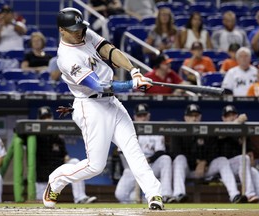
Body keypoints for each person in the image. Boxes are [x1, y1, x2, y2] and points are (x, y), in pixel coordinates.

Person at [43, 7, 163, 210]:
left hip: (111, 102)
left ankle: (154, 196)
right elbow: (98, 85)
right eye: (74, 29)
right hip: (91, 106)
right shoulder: (66, 57)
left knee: (133, 150)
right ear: (61, 30)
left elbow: (109, 50)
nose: (79, 32)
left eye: (80, 28)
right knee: (95, 166)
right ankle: (56, 180)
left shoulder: (85, 32)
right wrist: (131, 86)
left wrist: (134, 71)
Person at [171, 104, 247, 203]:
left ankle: (234, 195)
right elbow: (175, 152)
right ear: (185, 117)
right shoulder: (178, 131)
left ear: (200, 117)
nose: (194, 118)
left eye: (196, 115)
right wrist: (196, 162)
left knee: (222, 160)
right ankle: (179, 194)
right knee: (180, 158)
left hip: (206, 169)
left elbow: (214, 151)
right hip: (188, 170)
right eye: (191, 116)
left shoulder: (207, 130)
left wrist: (205, 162)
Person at [35, 106, 97, 204]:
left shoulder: (57, 137)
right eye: (43, 118)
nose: (47, 120)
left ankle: (80, 198)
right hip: (42, 179)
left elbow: (65, 156)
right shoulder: (35, 136)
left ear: (52, 118)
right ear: (39, 120)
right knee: (43, 204)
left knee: (75, 162)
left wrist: (67, 166)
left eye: (48, 117)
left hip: (57, 173)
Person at [115, 103, 174, 204]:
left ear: (148, 115)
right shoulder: (126, 130)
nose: (142, 118)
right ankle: (136, 201)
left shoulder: (155, 130)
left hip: (151, 165)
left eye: (144, 115)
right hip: (132, 168)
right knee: (120, 194)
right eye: (139, 116)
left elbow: (160, 152)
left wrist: (148, 160)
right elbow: (120, 153)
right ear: (134, 117)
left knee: (165, 159)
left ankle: (166, 195)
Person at [218, 105, 259, 203]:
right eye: (228, 116)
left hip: (242, 169)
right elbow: (222, 135)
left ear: (237, 115)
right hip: (225, 170)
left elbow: (250, 153)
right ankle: (250, 194)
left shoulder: (243, 131)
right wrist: (237, 122)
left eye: (233, 115)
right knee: (243, 158)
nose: (231, 117)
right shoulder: (219, 128)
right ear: (223, 118)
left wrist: (250, 157)